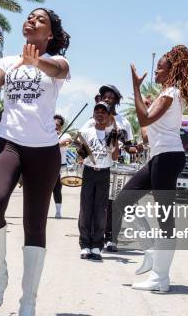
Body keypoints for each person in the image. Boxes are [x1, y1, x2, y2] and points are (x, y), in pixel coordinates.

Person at [0, 7, 70, 316]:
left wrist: (36, 61)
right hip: (9, 143)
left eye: (40, 19)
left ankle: (28, 301)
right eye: (30, 17)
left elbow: (56, 72)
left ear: (50, 34)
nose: (32, 21)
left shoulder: (59, 63)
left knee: (35, 225)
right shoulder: (7, 62)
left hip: (44, 151)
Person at [120, 44, 188, 292]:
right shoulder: (165, 95)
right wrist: (145, 104)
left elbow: (144, 119)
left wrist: (135, 87)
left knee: (165, 218)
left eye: (159, 67)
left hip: (168, 158)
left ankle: (160, 277)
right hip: (160, 156)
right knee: (123, 201)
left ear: (172, 69)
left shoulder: (170, 94)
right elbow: (146, 132)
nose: (154, 71)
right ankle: (151, 251)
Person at [81, 84, 137, 252]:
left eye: (112, 98)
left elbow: (130, 146)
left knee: (114, 204)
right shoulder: (93, 120)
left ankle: (111, 238)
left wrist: (134, 148)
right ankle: (90, 241)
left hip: (116, 166)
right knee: (93, 205)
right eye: (106, 97)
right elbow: (83, 145)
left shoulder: (123, 122)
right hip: (95, 166)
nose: (108, 100)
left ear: (116, 101)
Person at [77, 102, 120, 261]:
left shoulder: (112, 133)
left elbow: (115, 157)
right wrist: (80, 149)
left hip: (104, 173)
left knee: (101, 210)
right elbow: (80, 156)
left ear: (109, 116)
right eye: (97, 111)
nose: (100, 114)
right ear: (93, 114)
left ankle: (96, 245)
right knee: (86, 208)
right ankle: (85, 245)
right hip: (89, 172)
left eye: (104, 112)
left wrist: (115, 142)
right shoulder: (87, 132)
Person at [53, 114, 72, 218]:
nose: (55, 126)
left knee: (57, 189)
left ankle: (58, 211)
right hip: (48, 166)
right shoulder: (47, 135)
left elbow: (67, 142)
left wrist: (54, 144)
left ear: (61, 126)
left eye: (57, 125)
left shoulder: (66, 135)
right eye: (53, 124)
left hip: (61, 166)